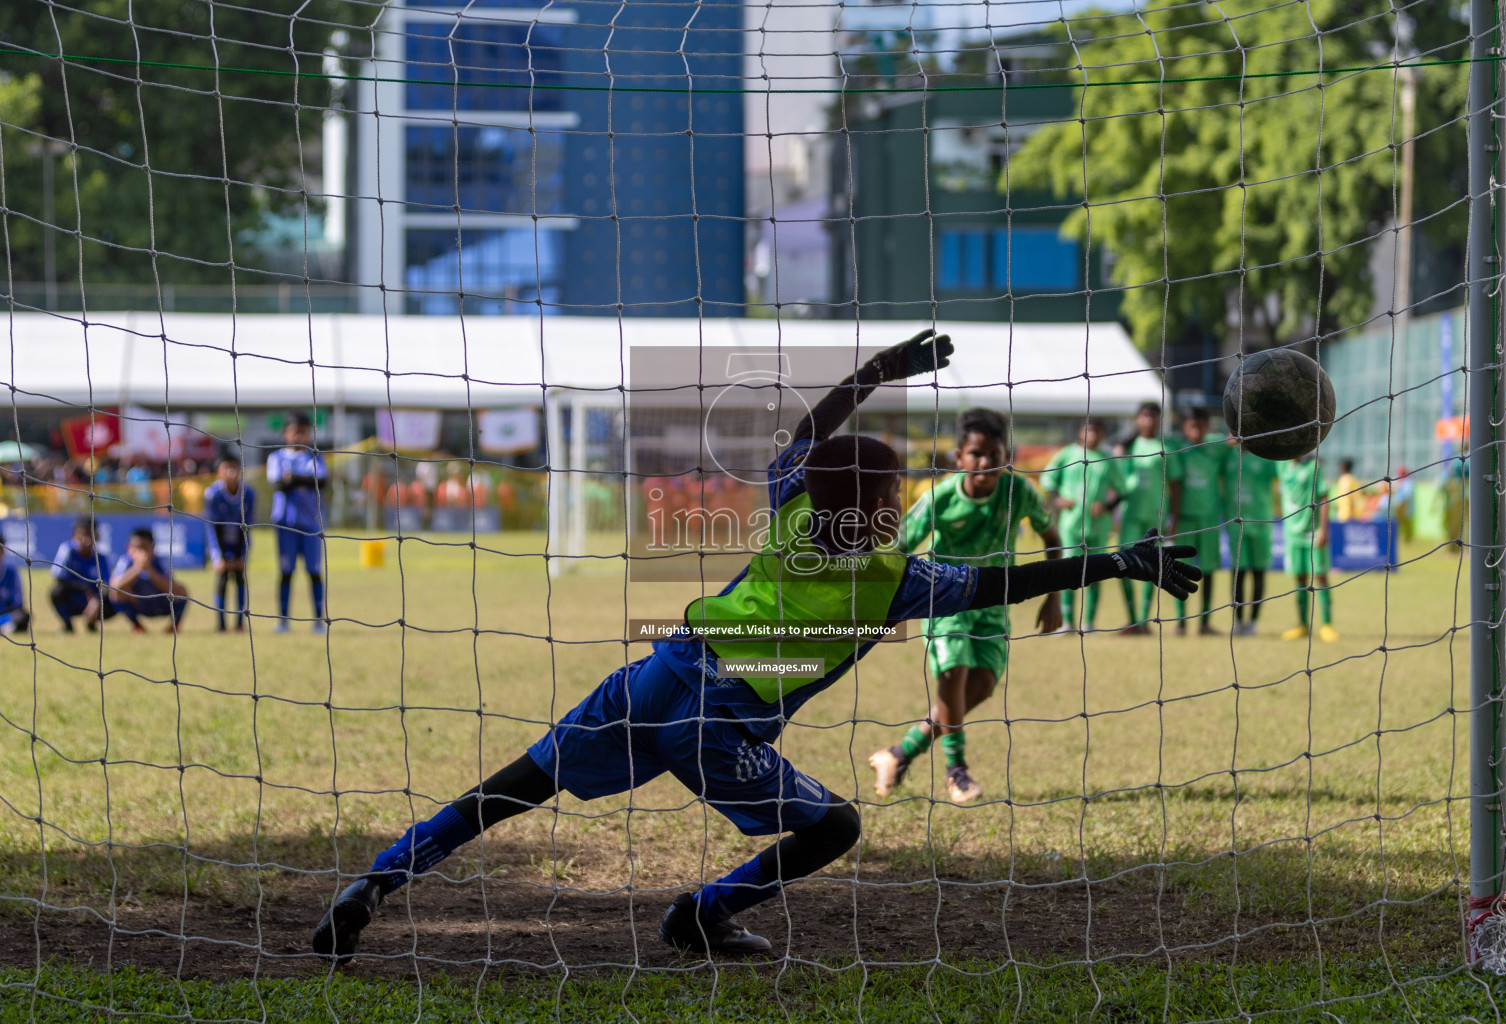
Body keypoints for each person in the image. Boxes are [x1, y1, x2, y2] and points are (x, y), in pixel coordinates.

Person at [310, 330, 1201, 962]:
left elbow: (811, 438)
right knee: (836, 827)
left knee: (508, 790)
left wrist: (877, 370)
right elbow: (1006, 583)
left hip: (651, 681)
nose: (902, 497)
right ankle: (702, 914)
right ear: (877, 505)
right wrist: (1119, 560)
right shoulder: (896, 579)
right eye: (894, 489)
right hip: (717, 733)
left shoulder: (795, 508)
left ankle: (376, 884)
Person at [867, 407, 1063, 805]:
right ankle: (957, 772)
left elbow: (1053, 538)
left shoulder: (1019, 491)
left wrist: (1054, 597)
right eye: (976, 453)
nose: (985, 463)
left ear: (1006, 456)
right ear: (959, 457)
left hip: (994, 605)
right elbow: (899, 546)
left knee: (983, 686)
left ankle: (899, 754)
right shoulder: (940, 497)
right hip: (944, 602)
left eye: (994, 454)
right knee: (952, 674)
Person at [1040, 418, 1126, 632]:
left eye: (1097, 432)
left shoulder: (1108, 458)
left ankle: (1089, 623)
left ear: (1103, 434)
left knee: (1097, 572)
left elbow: (1123, 489)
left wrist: (1106, 506)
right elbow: (1048, 480)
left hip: (1098, 525)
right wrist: (1057, 499)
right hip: (1071, 523)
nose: (1093, 436)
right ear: (1081, 432)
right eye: (1089, 431)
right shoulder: (1067, 454)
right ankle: (1067, 622)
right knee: (1068, 570)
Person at [1114, 402, 1179, 634]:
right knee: (1121, 563)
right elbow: (1117, 481)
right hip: (1131, 513)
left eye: (1153, 417)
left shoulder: (1166, 447)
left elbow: (1175, 484)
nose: (1149, 421)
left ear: (1160, 419)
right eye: (1144, 416)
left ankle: (1144, 620)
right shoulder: (1127, 447)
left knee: (1153, 565)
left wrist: (1174, 517)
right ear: (1137, 420)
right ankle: (1132, 619)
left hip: (1155, 516)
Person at [1168, 407, 1229, 636]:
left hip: (1210, 520)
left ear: (1206, 427)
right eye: (1191, 426)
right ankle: (1181, 623)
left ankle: (1204, 622)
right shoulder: (1177, 448)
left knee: (1209, 570)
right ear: (1185, 427)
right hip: (1184, 518)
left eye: (1200, 426)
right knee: (1179, 570)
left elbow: (1234, 441)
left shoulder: (1215, 447)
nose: (1195, 431)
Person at [267, 412, 328, 633]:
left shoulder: (315, 457)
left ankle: (318, 621)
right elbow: (278, 486)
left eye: (303, 432)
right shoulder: (276, 457)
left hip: (311, 524)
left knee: (313, 571)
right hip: (285, 524)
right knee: (286, 571)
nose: (299, 436)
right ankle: (283, 620)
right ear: (286, 433)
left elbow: (321, 482)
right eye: (295, 431)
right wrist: (304, 481)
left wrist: (293, 479)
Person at [1277, 453, 1338, 643]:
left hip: (1312, 531)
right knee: (1300, 576)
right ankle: (1302, 625)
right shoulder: (1282, 466)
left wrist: (1323, 529)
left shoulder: (1314, 466)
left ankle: (1327, 625)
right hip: (1292, 533)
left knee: (1320, 576)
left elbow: (1324, 496)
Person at [1226, 441, 1278, 636]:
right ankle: (1239, 622)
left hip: (1261, 523)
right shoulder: (1228, 455)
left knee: (1258, 573)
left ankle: (1254, 622)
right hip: (1236, 524)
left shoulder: (1266, 459)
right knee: (1238, 573)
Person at [205, 452, 258, 632]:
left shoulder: (249, 494)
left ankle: (240, 623)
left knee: (239, 578)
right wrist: (216, 556)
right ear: (219, 472)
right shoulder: (212, 494)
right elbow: (212, 527)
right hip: (221, 542)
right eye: (226, 468)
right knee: (222, 579)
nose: (231, 472)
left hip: (238, 542)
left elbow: (248, 527)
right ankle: (220, 624)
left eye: (234, 468)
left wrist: (244, 554)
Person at [109, 527, 190, 633]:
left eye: (144, 548)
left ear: (153, 548)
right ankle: (137, 626)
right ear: (129, 548)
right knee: (115, 593)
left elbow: (174, 589)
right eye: (136, 548)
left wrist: (149, 570)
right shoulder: (125, 562)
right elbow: (114, 586)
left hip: (160, 603)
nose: (140, 553)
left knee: (182, 590)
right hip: (139, 603)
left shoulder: (161, 562)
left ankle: (174, 626)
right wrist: (137, 569)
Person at [49, 516, 114, 632]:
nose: (87, 539)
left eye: (91, 535)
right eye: (83, 534)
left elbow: (108, 584)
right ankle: (68, 626)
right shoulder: (68, 551)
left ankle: (92, 623)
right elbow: (59, 577)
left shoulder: (102, 558)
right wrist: (86, 590)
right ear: (75, 536)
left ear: (97, 536)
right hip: (75, 597)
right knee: (56, 591)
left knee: (115, 599)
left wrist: (97, 598)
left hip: (96, 598)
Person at [0, 536, 31, 635]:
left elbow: (17, 603)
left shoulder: (11, 573)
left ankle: (5, 627)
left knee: (23, 616)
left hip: (5, 615)